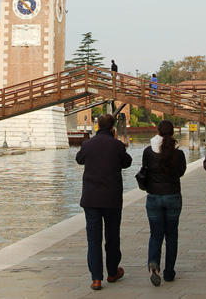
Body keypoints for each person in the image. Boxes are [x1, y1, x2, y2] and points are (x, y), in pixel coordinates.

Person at [76, 113, 132, 291]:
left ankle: (96, 278)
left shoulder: (88, 144)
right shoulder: (117, 145)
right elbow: (127, 162)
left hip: (91, 199)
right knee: (112, 237)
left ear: (98, 126)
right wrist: (116, 142)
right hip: (111, 198)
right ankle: (112, 271)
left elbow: (79, 159)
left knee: (93, 239)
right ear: (113, 128)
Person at [142, 120, 187, 286]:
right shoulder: (178, 154)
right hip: (173, 196)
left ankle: (154, 263)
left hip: (154, 197)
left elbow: (144, 170)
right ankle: (169, 272)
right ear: (173, 133)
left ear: (157, 131)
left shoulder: (148, 152)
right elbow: (181, 172)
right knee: (172, 234)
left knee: (155, 234)